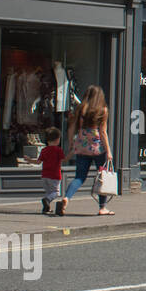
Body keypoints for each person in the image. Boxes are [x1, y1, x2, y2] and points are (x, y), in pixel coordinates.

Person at [61, 85, 112, 216]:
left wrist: (72, 143)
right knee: (102, 177)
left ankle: (67, 197)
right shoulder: (103, 110)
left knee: (79, 177)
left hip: (82, 146)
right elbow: (103, 132)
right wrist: (109, 151)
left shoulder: (80, 109)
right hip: (97, 148)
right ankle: (102, 207)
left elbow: (71, 128)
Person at [39, 127, 64, 216]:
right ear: (58, 140)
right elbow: (63, 160)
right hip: (55, 175)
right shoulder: (58, 150)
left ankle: (46, 208)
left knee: (48, 192)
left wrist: (29, 160)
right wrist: (72, 153)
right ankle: (47, 200)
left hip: (44, 175)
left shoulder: (44, 150)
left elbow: (38, 161)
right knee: (56, 193)